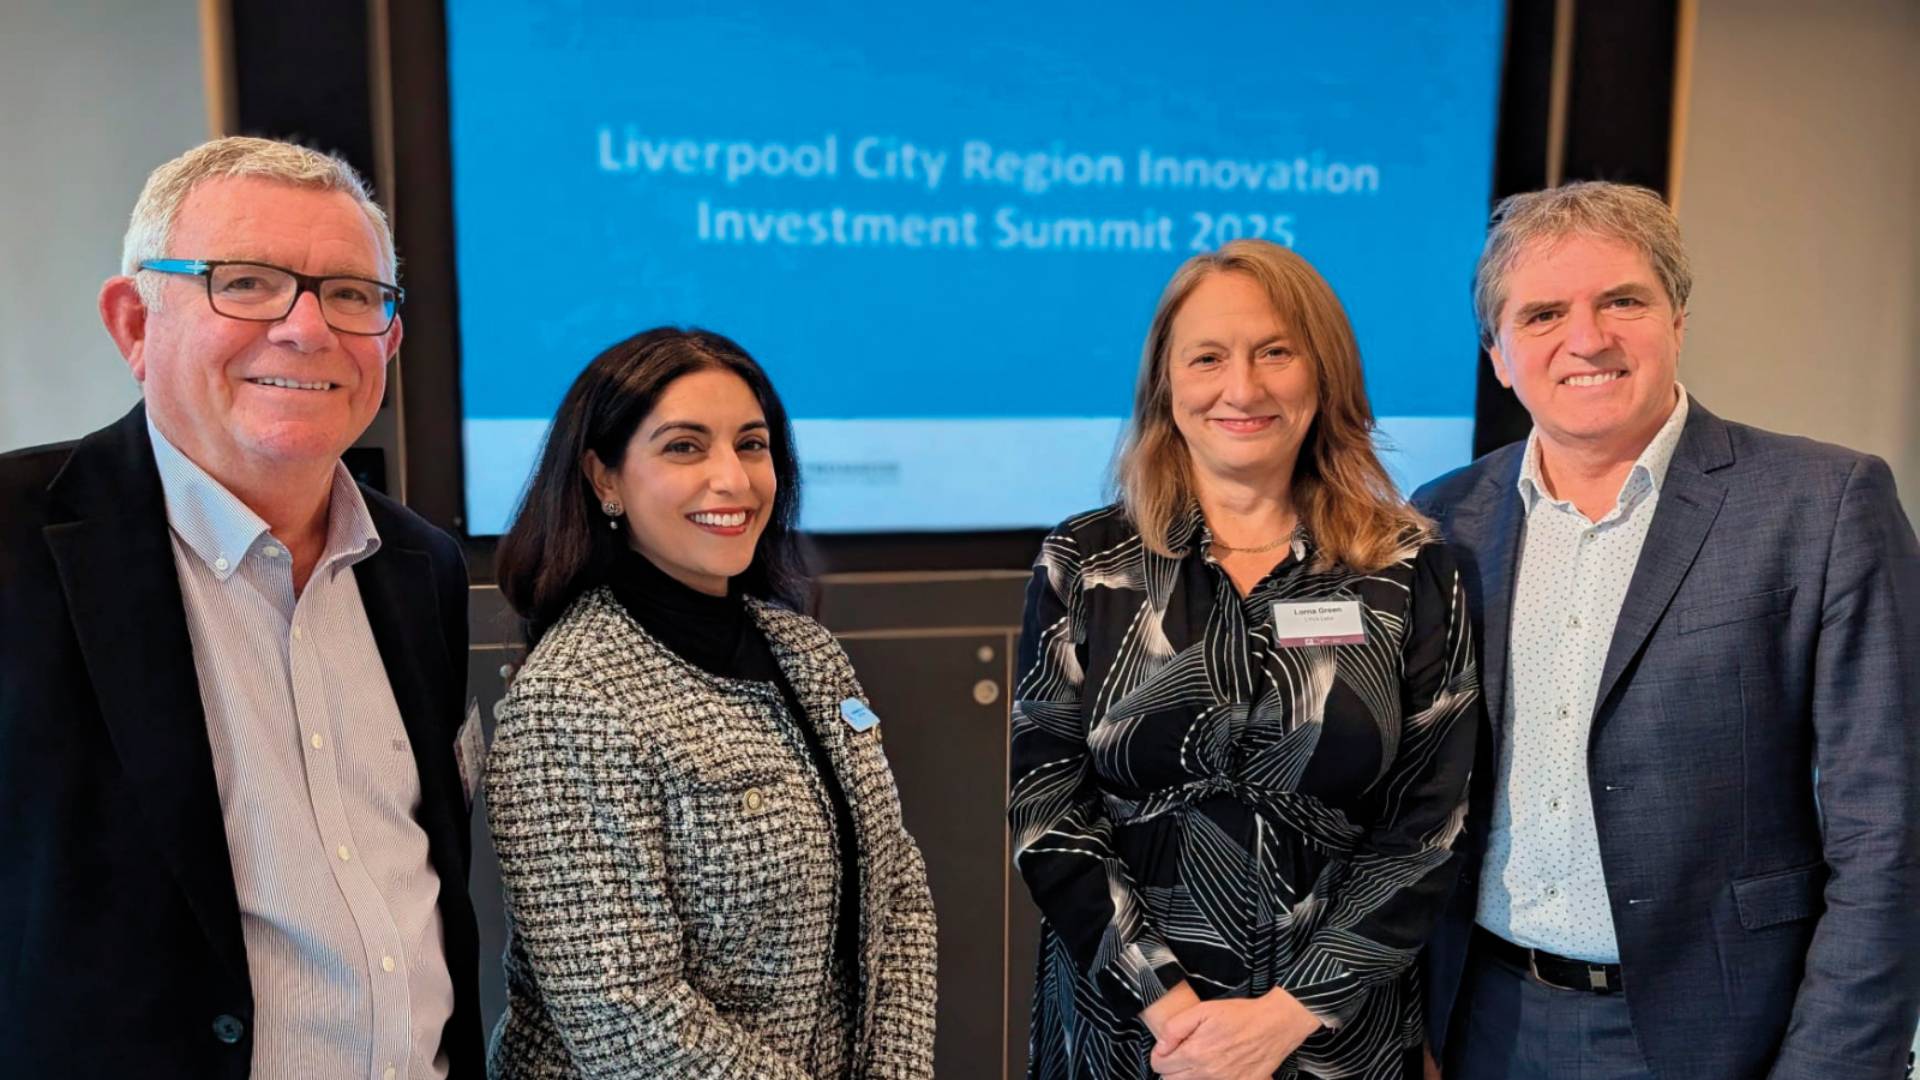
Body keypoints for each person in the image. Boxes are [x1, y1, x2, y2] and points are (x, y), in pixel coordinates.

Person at [1414, 181, 1920, 1079]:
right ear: (1498, 354)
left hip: (1725, 1036)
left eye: (1622, 301)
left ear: (1677, 318)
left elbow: (1889, 834)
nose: (1587, 339)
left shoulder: (1823, 505)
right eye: (1541, 314)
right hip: (1483, 1021)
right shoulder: (1445, 519)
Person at [0, 136, 483, 1077]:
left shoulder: (420, 568)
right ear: (135, 323)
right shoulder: (12, 544)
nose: (308, 330)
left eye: (351, 295)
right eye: (247, 283)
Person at [1009, 239, 1481, 1080]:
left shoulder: (1411, 571)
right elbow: (1048, 813)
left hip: (1336, 1039)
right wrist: (1176, 1016)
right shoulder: (1085, 563)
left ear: (1324, 374)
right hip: (1133, 1038)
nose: (1243, 388)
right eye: (1208, 357)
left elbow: (1428, 828)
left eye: (1276, 353)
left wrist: (1280, 1021)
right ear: (1166, 383)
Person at [484, 327, 939, 1078]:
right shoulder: (571, 699)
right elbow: (623, 1017)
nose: (732, 480)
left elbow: (899, 890)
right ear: (604, 478)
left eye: (751, 445)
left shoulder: (808, 655)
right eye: (684, 447)